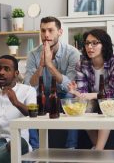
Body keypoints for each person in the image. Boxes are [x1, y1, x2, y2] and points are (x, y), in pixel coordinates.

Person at [24, 16, 80, 149]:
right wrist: (41, 66)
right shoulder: (33, 54)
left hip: (62, 96)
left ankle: (70, 148)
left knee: (70, 99)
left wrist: (49, 65)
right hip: (41, 96)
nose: (46, 35)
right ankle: (36, 149)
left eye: (50, 30)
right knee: (29, 101)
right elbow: (29, 86)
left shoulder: (72, 53)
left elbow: (70, 86)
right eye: (43, 31)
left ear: (60, 32)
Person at [68, 29, 114, 150]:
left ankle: (98, 150)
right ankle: (99, 148)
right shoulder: (81, 63)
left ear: (104, 44)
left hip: (110, 98)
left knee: (106, 103)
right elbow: (82, 91)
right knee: (82, 106)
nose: (90, 47)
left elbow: (112, 90)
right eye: (87, 43)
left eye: (94, 43)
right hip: (92, 98)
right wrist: (76, 93)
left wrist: (92, 95)